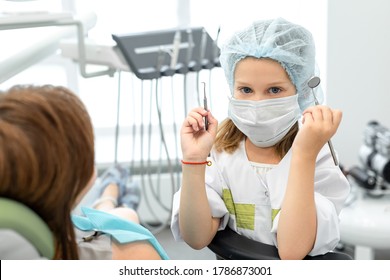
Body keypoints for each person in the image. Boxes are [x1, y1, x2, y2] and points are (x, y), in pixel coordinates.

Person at [170, 18, 350, 260]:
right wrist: (194, 160)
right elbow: (196, 237)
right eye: (245, 90)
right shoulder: (221, 150)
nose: (257, 105)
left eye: (274, 90)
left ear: (302, 91)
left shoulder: (318, 153)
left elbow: (292, 251)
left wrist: (304, 155)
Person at [0, 84, 167, 260]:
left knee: (125, 215)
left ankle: (108, 198)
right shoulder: (140, 255)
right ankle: (109, 196)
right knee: (128, 217)